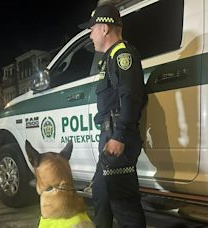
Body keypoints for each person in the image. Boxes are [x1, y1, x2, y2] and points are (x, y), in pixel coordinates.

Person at [79, 4, 148, 227]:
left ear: (105, 29)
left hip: (118, 139)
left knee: (124, 205)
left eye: (92, 29)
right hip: (110, 138)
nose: (90, 35)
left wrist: (119, 136)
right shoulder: (109, 59)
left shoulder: (122, 55)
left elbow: (131, 98)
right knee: (101, 196)